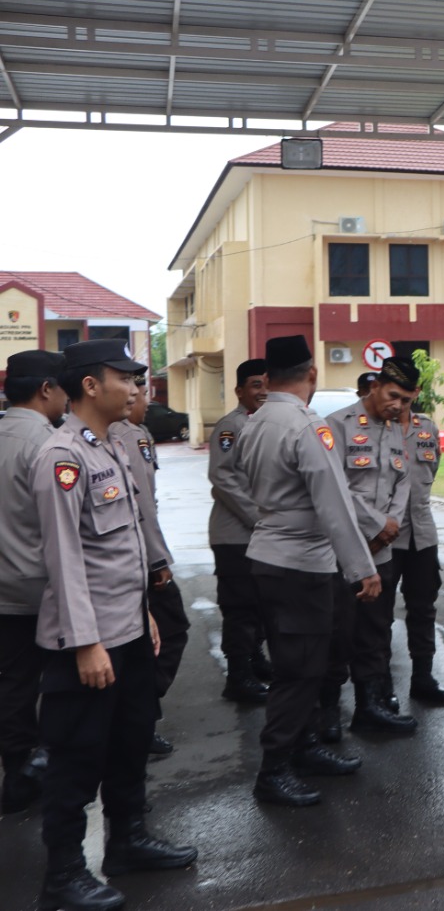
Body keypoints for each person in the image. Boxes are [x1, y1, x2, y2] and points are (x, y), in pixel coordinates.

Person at [32, 339, 197, 910]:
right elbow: (63, 559)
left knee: (130, 742)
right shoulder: (63, 457)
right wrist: (86, 643)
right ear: (90, 385)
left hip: (127, 631)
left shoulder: (111, 446)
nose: (134, 388)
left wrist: (143, 612)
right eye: (124, 377)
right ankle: (63, 876)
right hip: (89, 643)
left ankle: (127, 841)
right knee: (77, 758)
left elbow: (121, 549)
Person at [236, 335, 380, 808]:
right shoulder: (305, 425)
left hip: (269, 556)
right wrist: (362, 569)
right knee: (298, 671)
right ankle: (275, 769)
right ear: (311, 373)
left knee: (297, 663)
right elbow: (334, 504)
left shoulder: (255, 421)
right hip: (300, 565)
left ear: (268, 377)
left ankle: (304, 746)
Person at [324, 355, 418, 734]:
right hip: (344, 551)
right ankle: (327, 713)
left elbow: (403, 481)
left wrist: (391, 525)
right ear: (375, 386)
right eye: (393, 396)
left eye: (406, 401)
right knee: (337, 631)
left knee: (376, 630)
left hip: (382, 549)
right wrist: (379, 524)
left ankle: (370, 706)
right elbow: (334, 486)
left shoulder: (396, 430)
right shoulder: (338, 425)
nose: (397, 406)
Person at [0, 349, 66, 815]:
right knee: (56, 684)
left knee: (13, 683)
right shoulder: (48, 444)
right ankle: (37, 770)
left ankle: (18, 770)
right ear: (46, 389)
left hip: (5, 588)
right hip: (38, 588)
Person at [110, 376, 190, 759]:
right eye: (140, 392)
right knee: (167, 632)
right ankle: (135, 717)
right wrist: (158, 560)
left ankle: (137, 715)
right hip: (137, 558)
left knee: (151, 639)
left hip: (135, 553)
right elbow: (141, 507)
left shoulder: (134, 432)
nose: (140, 399)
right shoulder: (125, 435)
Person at [208, 358, 273, 704]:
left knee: (260, 603)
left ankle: (255, 658)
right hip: (235, 534)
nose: (263, 391)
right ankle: (238, 676)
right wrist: (258, 517)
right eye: (255, 385)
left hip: (261, 534)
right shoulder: (231, 427)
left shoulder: (266, 423)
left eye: (267, 384)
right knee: (240, 607)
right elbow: (222, 478)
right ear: (239, 391)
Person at [393, 390, 444, 706]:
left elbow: (432, 469)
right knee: (376, 613)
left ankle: (423, 677)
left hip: (422, 532)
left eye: (407, 393)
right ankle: (377, 686)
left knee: (423, 607)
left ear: (415, 392)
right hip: (384, 535)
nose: (400, 400)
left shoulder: (427, 427)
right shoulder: (373, 427)